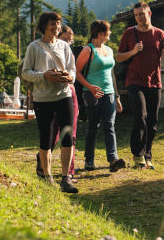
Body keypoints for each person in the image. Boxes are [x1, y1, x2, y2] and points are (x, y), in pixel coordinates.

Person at [21, 12, 79, 193]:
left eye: (59, 24)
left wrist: (69, 77)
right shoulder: (34, 47)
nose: (57, 27)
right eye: (53, 23)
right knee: (45, 138)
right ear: (44, 26)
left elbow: (72, 70)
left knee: (68, 137)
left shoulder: (64, 46)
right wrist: (44, 76)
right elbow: (25, 72)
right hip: (42, 98)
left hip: (64, 95)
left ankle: (65, 178)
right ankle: (47, 177)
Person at [116, 2, 164, 169]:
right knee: (140, 116)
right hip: (135, 81)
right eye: (136, 15)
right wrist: (133, 51)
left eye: (142, 14)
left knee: (152, 121)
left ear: (149, 13)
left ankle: (148, 155)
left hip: (155, 82)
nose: (139, 17)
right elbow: (119, 57)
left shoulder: (159, 34)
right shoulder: (129, 33)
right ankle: (138, 156)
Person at [75, 20, 126, 172]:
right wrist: (90, 87)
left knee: (109, 125)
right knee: (93, 126)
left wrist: (116, 96)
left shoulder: (109, 51)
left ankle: (113, 159)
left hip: (109, 92)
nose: (109, 34)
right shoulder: (88, 50)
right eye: (108, 32)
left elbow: (112, 74)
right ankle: (89, 161)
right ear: (100, 33)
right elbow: (76, 72)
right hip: (92, 94)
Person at [57, 25, 78, 180]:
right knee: (53, 133)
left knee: (71, 132)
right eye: (64, 39)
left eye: (70, 40)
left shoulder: (69, 52)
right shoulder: (51, 51)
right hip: (53, 93)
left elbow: (74, 72)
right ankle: (42, 162)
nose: (67, 42)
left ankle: (69, 171)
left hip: (70, 91)